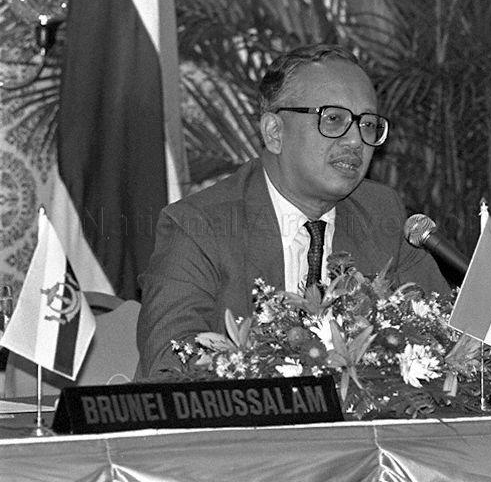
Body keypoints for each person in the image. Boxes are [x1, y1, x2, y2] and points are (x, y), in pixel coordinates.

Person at [136, 44, 449, 379]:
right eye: (333, 119)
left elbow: (444, 332)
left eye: (368, 124)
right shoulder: (199, 226)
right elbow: (171, 361)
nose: (356, 141)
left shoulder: (382, 213)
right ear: (274, 132)